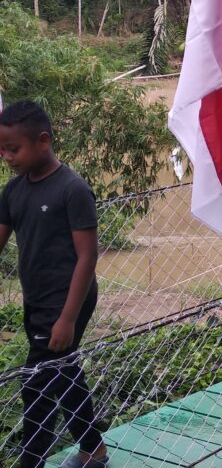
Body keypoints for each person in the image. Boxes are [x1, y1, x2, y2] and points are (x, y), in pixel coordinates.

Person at [0, 100, 108, 468]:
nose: (6, 157)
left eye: (13, 149)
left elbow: (88, 257)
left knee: (38, 383)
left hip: (70, 299)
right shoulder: (13, 192)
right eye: (2, 149)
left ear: (43, 141)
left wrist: (67, 318)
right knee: (63, 373)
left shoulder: (72, 189)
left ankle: (31, 461)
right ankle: (94, 451)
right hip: (38, 299)